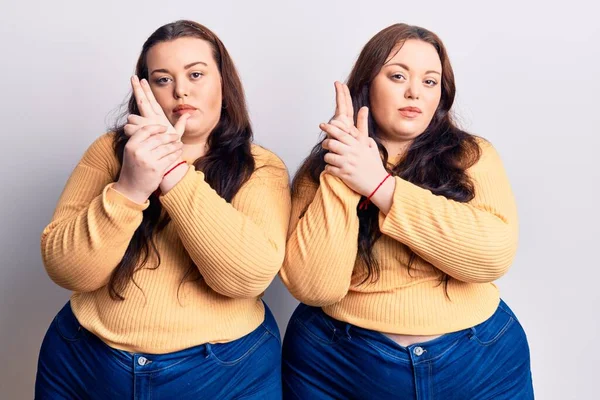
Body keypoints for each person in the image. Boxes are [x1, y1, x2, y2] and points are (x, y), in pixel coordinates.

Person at [36, 20, 290, 399]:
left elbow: (247, 279)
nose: (181, 90)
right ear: (145, 91)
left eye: (196, 74)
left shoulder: (260, 167)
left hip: (223, 373)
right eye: (162, 79)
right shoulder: (109, 151)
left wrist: (173, 172)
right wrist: (130, 187)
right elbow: (67, 269)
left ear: (224, 84)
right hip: (86, 362)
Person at [280, 23, 534, 399]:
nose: (414, 91)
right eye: (398, 76)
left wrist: (381, 187)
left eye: (430, 82)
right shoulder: (320, 172)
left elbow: (493, 256)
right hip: (339, 363)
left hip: (478, 362)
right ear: (367, 84)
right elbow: (315, 287)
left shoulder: (473, 156)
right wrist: (344, 171)